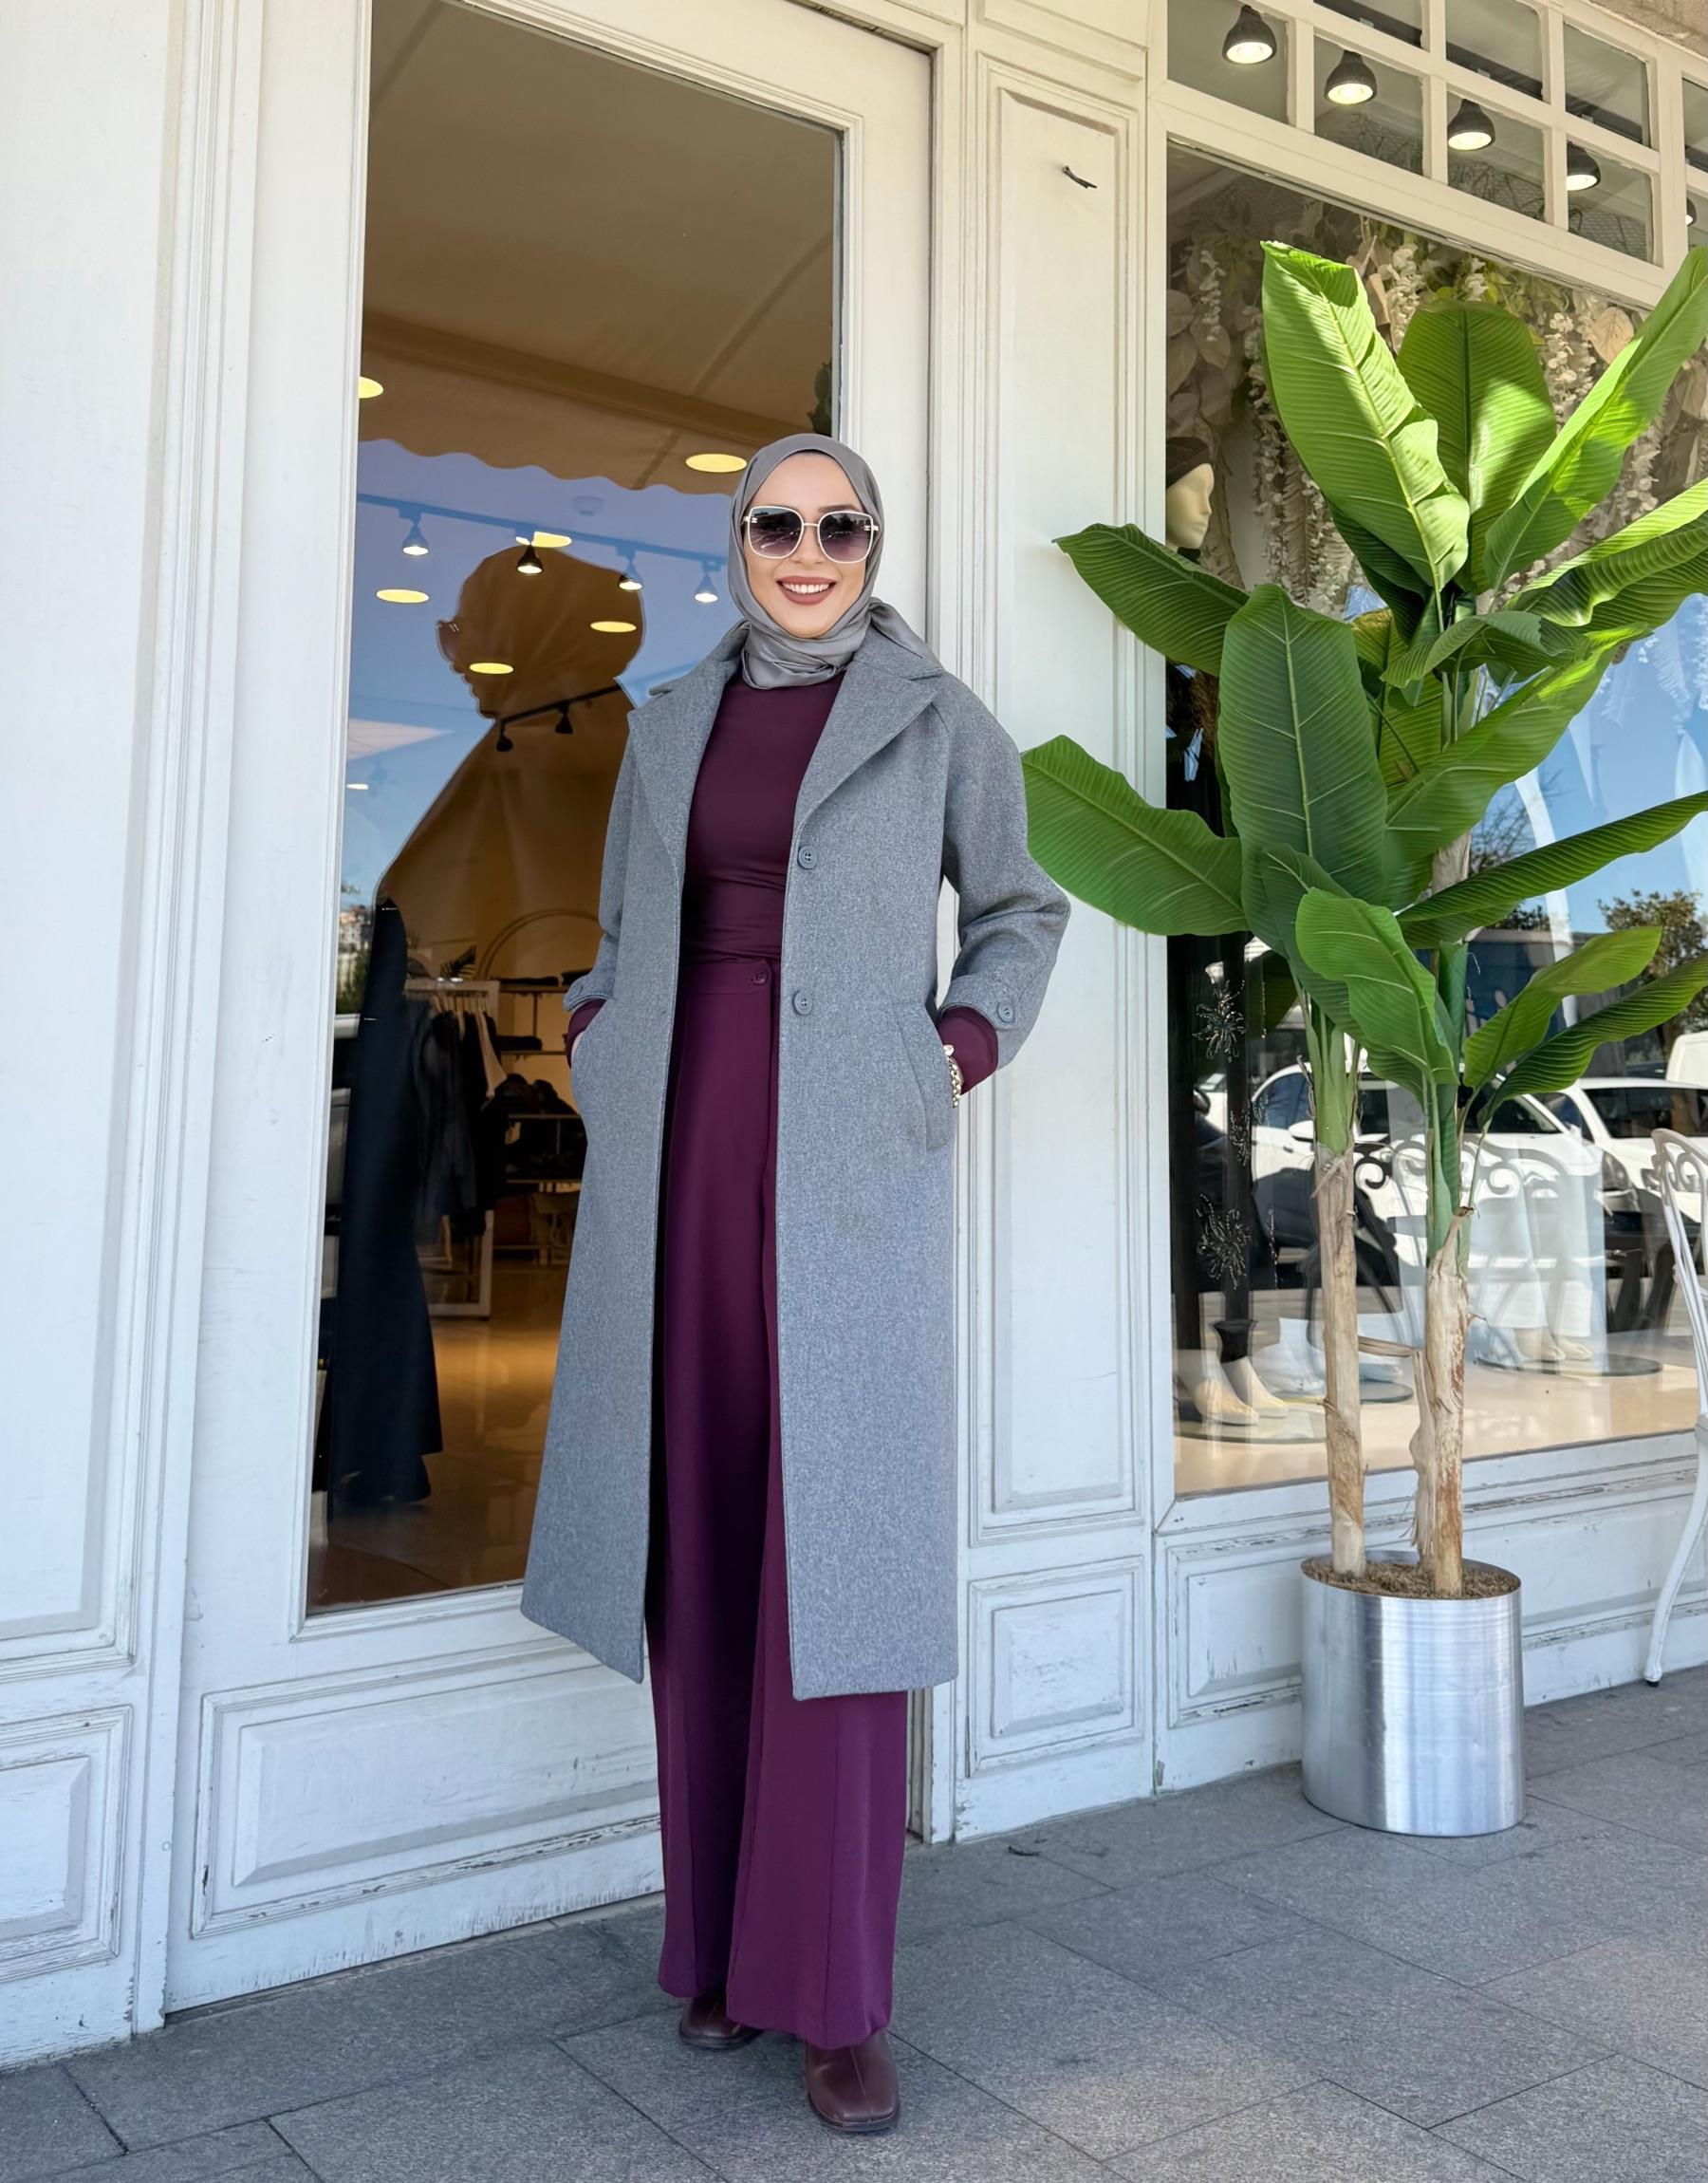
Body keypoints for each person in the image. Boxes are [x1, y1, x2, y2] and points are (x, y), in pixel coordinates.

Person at [520, 429, 1069, 2133]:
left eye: (841, 525)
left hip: (848, 1171)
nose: (809, 550)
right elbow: (624, 936)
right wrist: (600, 1037)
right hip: (682, 1154)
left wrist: (952, 1051)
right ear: (740, 543)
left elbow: (1024, 910)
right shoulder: (666, 724)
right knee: (701, 1539)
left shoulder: (937, 718)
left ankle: (835, 2000)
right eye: (779, 524)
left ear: (873, 546)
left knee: (836, 1565)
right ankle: (711, 1951)